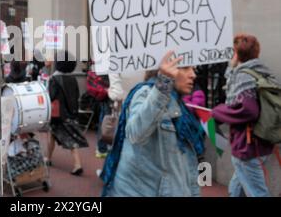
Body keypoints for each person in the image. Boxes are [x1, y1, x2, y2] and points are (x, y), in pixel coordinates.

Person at [101, 51, 205, 196]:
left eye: (193, 69)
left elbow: (187, 165)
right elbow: (135, 133)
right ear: (163, 69)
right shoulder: (145, 93)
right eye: (185, 68)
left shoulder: (180, 105)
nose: (193, 74)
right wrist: (164, 84)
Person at [212, 33, 276, 197]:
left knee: (257, 193)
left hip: (247, 146)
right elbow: (233, 84)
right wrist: (232, 65)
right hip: (262, 140)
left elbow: (248, 109)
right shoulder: (261, 71)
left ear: (236, 53)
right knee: (237, 186)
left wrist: (217, 111)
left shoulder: (242, 76)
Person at [46, 50, 88, 176]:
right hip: (71, 113)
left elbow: (51, 96)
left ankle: (75, 164)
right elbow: (76, 96)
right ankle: (50, 159)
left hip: (58, 115)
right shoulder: (73, 78)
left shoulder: (54, 79)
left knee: (58, 136)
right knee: (63, 137)